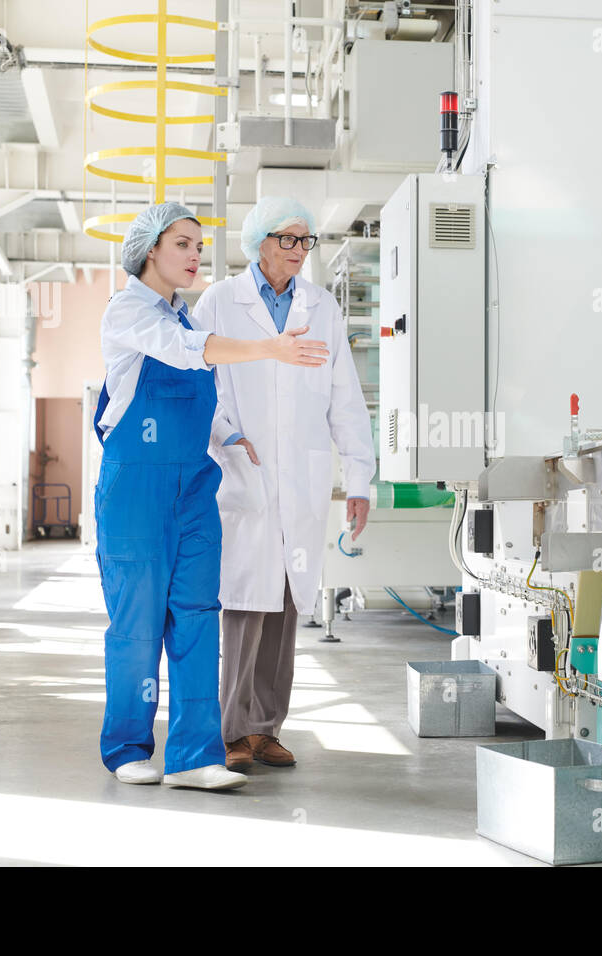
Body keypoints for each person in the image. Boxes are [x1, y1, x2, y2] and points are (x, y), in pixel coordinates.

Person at [94, 202, 329, 790]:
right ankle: (127, 746)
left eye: (199, 246)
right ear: (151, 251)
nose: (196, 255)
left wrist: (230, 433)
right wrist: (270, 348)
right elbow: (186, 355)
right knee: (137, 623)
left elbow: (206, 391)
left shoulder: (186, 318)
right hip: (136, 489)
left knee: (198, 616)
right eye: (183, 245)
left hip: (195, 489)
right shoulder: (128, 311)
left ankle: (196, 756)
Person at [191, 196, 375, 772]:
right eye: (288, 240)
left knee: (290, 601)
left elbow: (345, 397)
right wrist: (222, 434)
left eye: (306, 241)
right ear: (259, 242)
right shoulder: (221, 300)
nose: (298, 252)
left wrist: (360, 477)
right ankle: (232, 731)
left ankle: (267, 729)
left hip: (301, 476)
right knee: (245, 602)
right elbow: (197, 378)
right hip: (242, 469)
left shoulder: (321, 307)